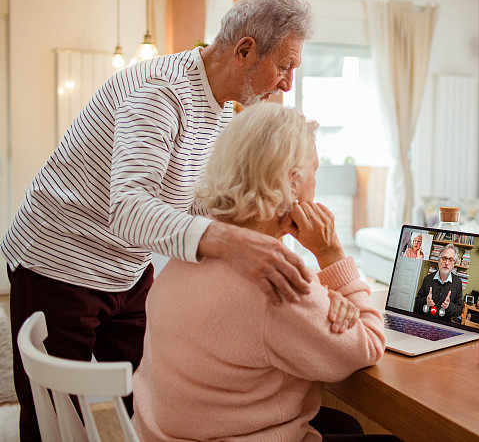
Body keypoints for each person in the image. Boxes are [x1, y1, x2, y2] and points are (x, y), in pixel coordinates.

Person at [3, 0, 319, 440]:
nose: (287, 83)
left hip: (126, 267)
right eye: (284, 66)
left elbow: (187, 198)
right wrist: (230, 241)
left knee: (149, 391)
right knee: (57, 413)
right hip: (60, 258)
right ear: (245, 49)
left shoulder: (218, 109)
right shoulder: (161, 94)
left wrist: (266, 214)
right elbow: (130, 211)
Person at [132, 102, 386, 441]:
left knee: (345, 426)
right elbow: (368, 344)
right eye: (315, 171)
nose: (316, 183)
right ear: (293, 184)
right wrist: (331, 254)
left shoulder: (194, 244)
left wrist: (324, 298)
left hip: (164, 433)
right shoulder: (278, 279)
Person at [413, 244, 464, 320]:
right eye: (444, 258)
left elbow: (459, 311)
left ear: (454, 264)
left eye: (450, 259)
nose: (446, 263)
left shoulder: (457, 282)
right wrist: (425, 301)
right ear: (439, 260)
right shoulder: (428, 279)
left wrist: (448, 306)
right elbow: (417, 303)